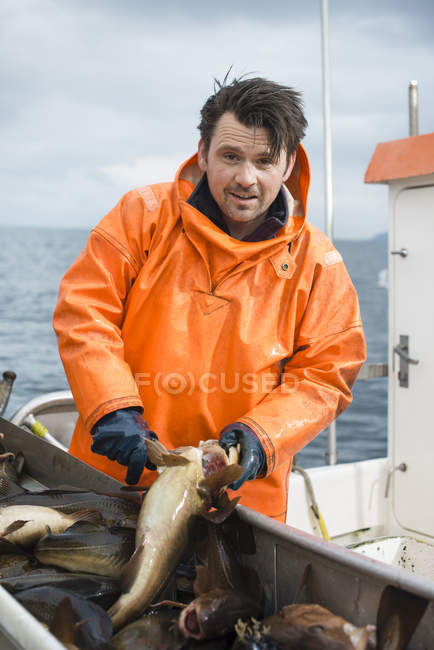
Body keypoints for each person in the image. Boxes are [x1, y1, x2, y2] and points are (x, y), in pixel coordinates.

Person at [53, 76, 366, 522]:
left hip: (238, 501)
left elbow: (326, 374)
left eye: (264, 161)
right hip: (115, 480)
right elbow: (85, 314)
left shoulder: (319, 263)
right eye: (230, 156)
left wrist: (259, 438)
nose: (246, 178)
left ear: (289, 162)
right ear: (202, 153)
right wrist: (112, 407)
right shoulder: (140, 216)